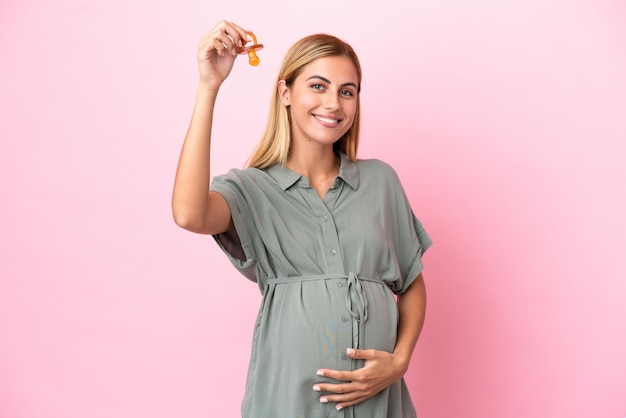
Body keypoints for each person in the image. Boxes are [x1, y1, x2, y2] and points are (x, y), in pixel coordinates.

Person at [172, 20, 432, 418]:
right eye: (317, 86)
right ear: (285, 93)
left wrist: (399, 361)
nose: (333, 103)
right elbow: (189, 214)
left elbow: (411, 282)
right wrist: (209, 86)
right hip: (288, 402)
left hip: (378, 403)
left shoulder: (381, 182)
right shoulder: (252, 190)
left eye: (347, 92)